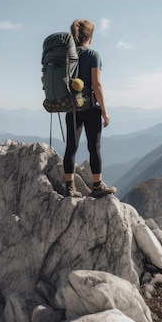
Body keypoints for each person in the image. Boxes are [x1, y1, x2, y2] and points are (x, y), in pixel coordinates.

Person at [63, 19, 117, 198]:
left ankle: (69, 187)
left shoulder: (66, 55)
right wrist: (105, 110)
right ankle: (96, 186)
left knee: (71, 147)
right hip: (90, 108)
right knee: (95, 147)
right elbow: (97, 84)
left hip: (71, 107)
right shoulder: (93, 55)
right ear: (90, 37)